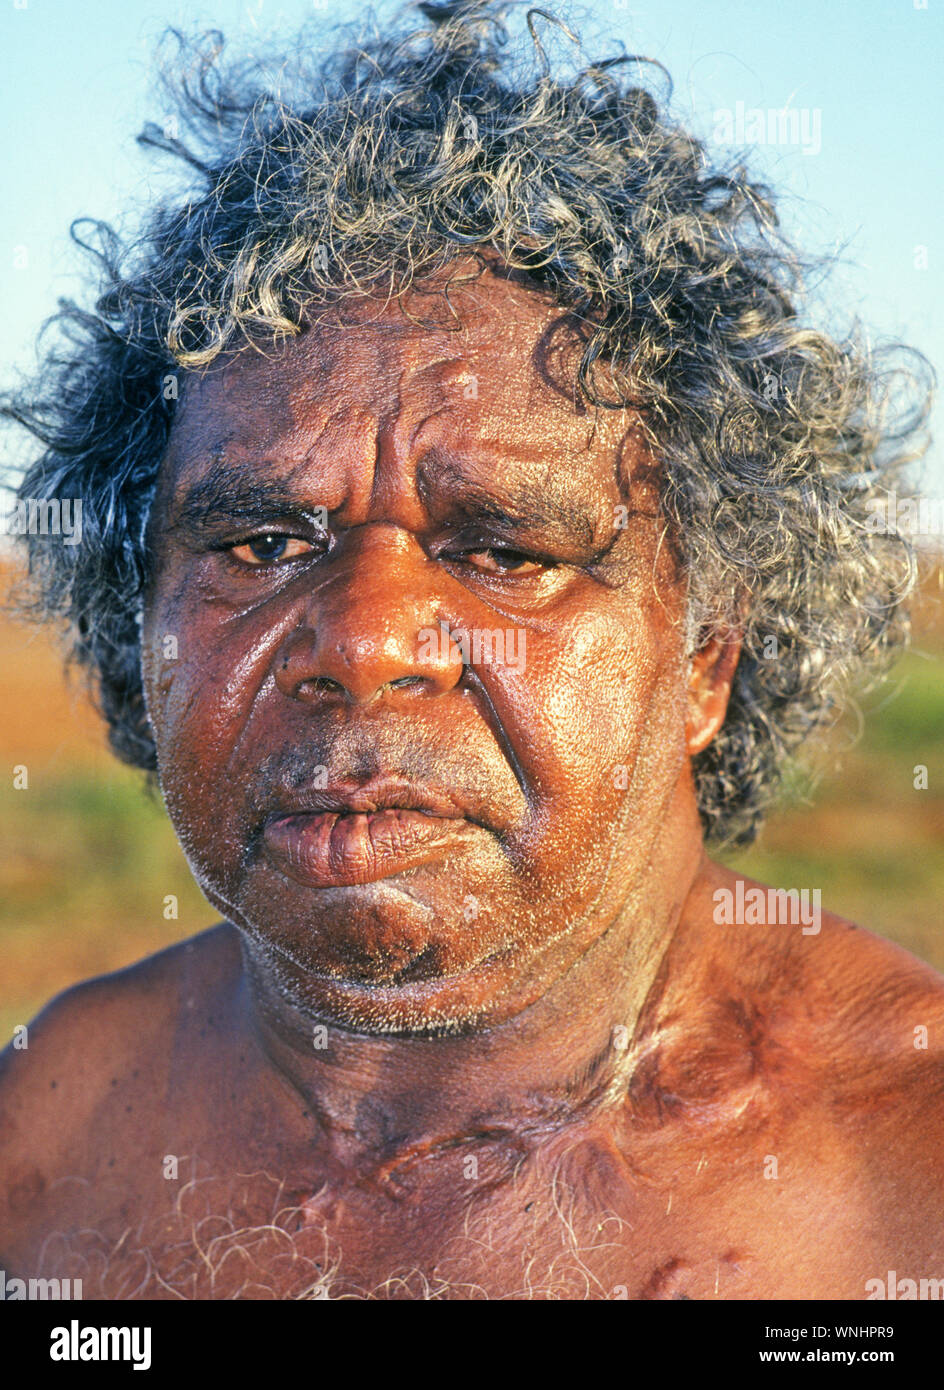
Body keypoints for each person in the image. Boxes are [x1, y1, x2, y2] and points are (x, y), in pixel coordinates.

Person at [1, 0, 940, 1300]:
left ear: (707, 658)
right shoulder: (43, 1139)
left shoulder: (909, 1187)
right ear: (136, 617)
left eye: (504, 550)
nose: (366, 639)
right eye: (261, 542)